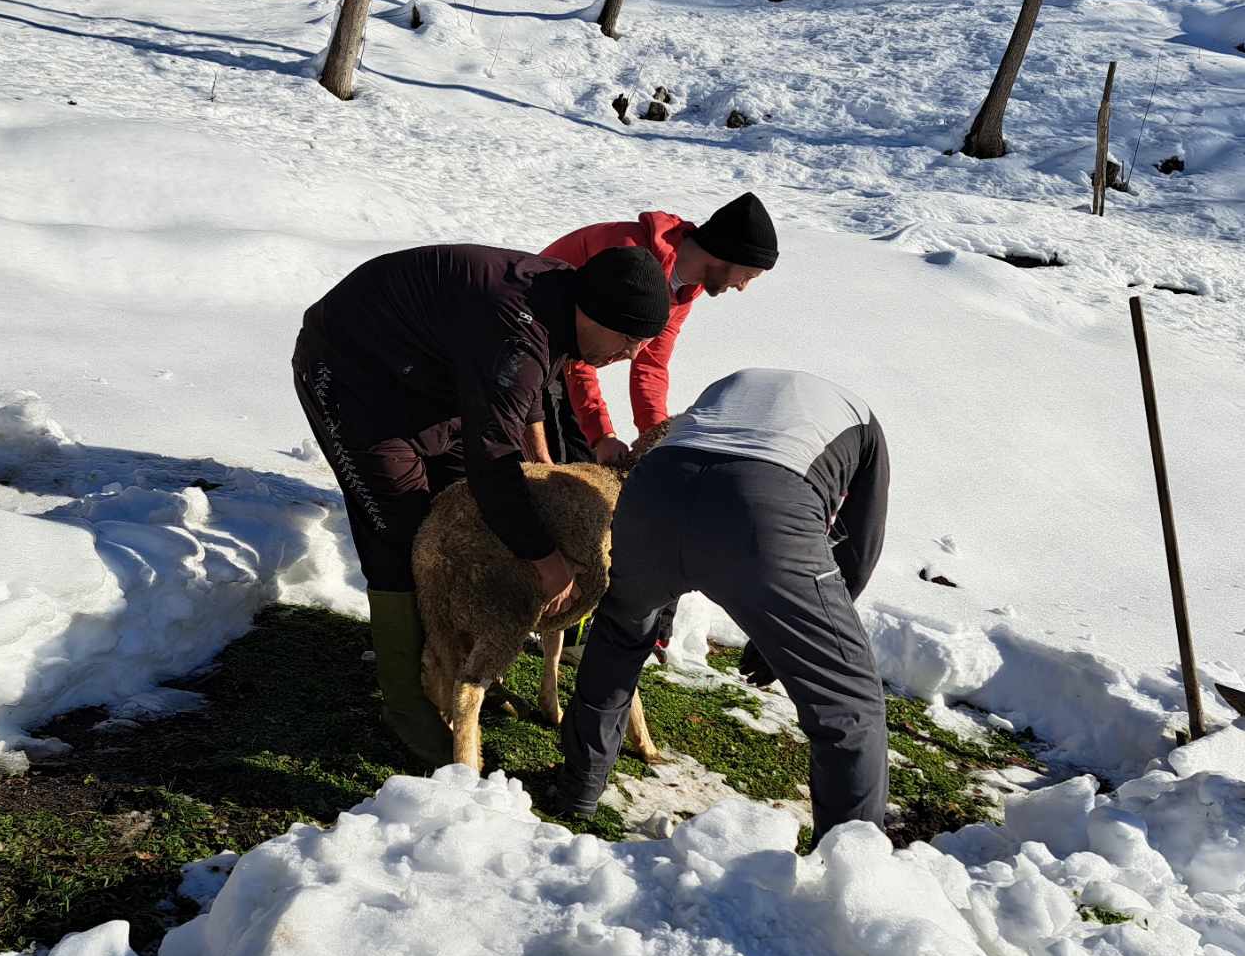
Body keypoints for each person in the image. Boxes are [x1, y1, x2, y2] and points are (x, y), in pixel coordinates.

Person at [292, 243, 673, 765]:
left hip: (431, 381)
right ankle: (407, 702)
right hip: (352, 374)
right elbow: (493, 455)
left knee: (467, 519)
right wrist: (545, 559)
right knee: (404, 533)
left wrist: (540, 462)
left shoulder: (563, 297)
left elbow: (535, 387)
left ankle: (455, 670)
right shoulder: (515, 331)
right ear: (596, 314)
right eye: (629, 338)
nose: (632, 354)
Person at [550, 368, 892, 835]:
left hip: (655, 490)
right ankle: (848, 868)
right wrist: (785, 637)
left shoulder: (732, 384)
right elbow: (857, 549)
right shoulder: (863, 422)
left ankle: (577, 789)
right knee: (849, 705)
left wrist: (661, 609)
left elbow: (690, 493)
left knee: (621, 633)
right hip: (763, 510)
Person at [532, 193, 779, 468]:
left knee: (582, 460)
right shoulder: (629, 256)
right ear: (727, 255)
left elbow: (651, 363)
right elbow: (584, 348)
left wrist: (655, 437)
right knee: (566, 468)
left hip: (566, 358)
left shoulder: (685, 288)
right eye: (748, 275)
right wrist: (602, 434)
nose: (743, 286)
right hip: (530, 343)